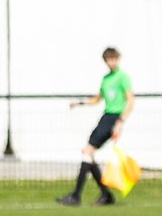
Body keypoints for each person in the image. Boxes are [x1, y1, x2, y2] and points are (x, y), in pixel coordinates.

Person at [57, 47, 134, 207]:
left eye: (114, 59)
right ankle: (105, 195)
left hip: (113, 118)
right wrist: (79, 102)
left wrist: (120, 121)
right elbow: (96, 99)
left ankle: (76, 195)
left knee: (87, 152)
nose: (112, 62)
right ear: (105, 61)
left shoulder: (123, 77)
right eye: (109, 59)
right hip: (105, 117)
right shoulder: (106, 79)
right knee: (87, 154)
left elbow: (130, 101)